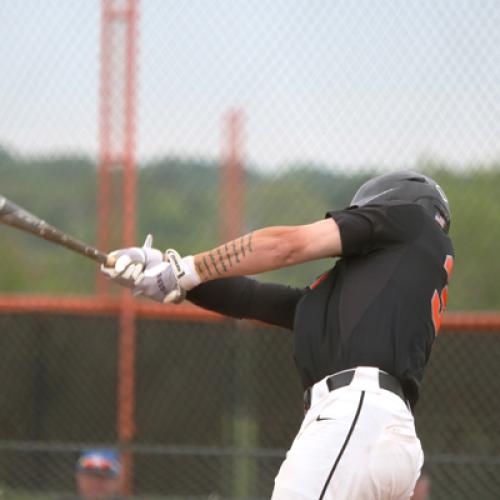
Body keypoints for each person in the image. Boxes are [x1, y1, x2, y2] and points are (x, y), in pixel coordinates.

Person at [102, 170, 454, 500]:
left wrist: (188, 269)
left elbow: (287, 245)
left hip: (356, 416)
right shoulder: (369, 297)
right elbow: (251, 298)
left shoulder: (409, 219)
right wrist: (163, 265)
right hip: (384, 434)